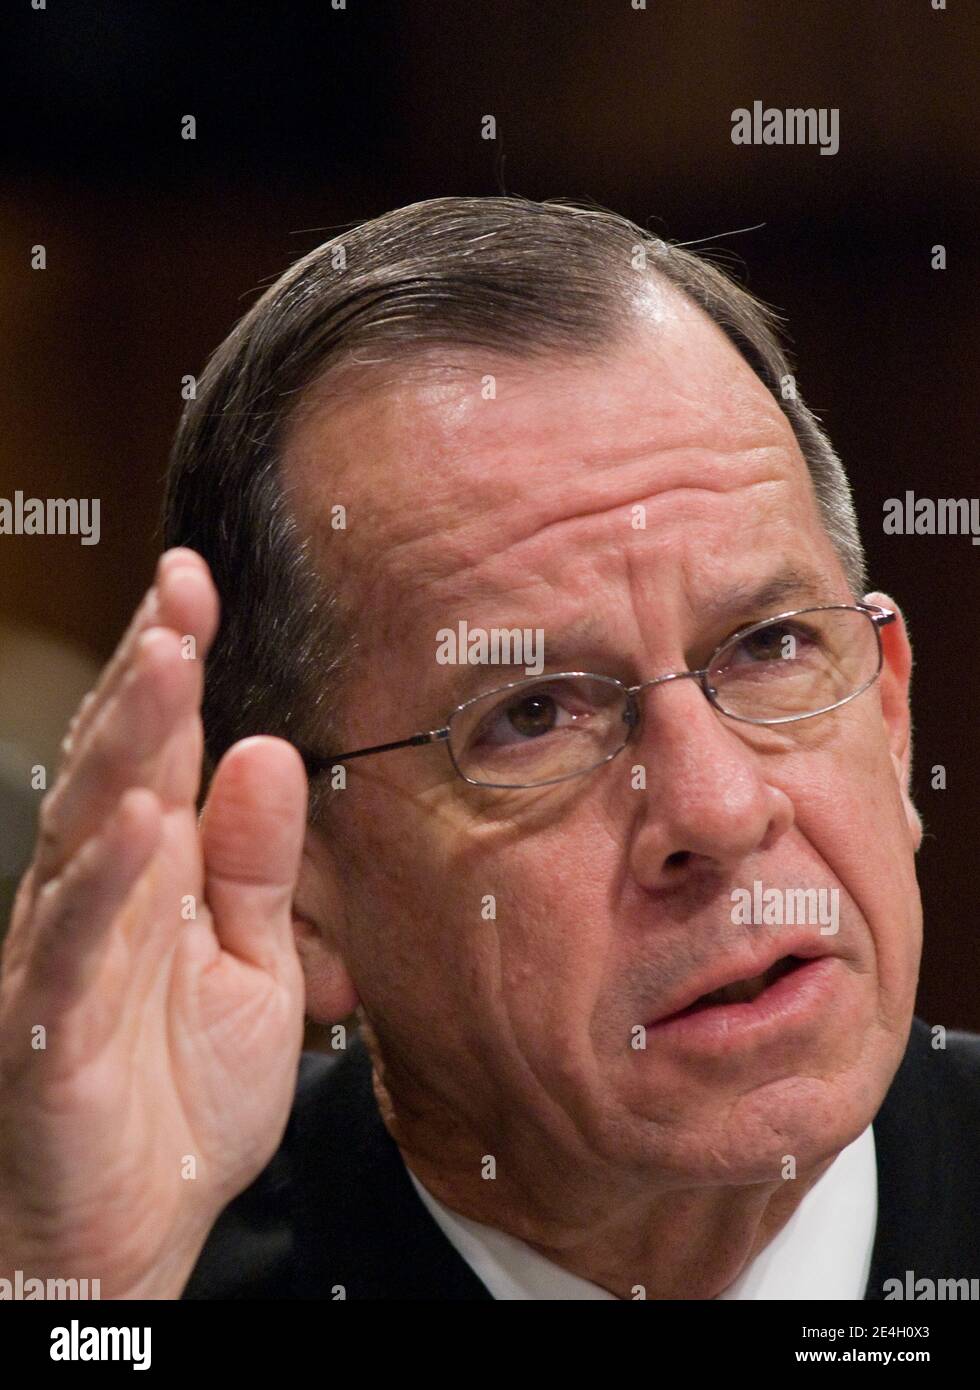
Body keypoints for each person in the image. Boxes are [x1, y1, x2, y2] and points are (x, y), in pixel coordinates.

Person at [2, 196, 978, 1302]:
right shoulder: (128, 1285)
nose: (714, 808)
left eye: (768, 647)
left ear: (888, 719)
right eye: (530, 715)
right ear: (295, 893)